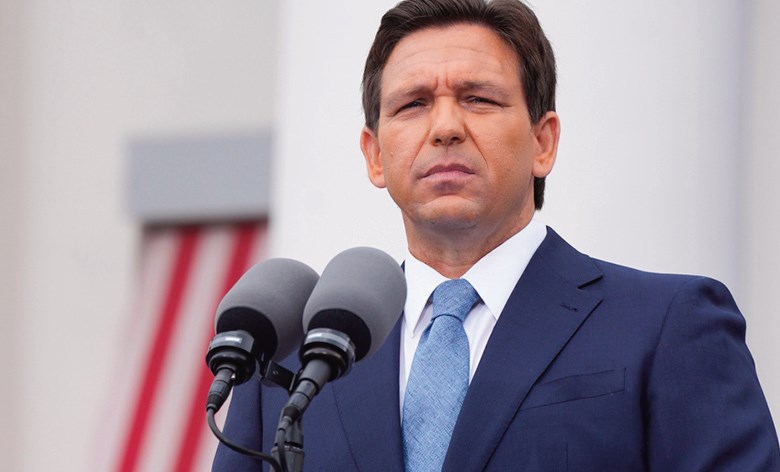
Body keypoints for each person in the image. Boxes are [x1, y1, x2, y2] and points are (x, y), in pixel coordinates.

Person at [214, 0, 780, 470]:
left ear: (543, 142)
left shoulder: (666, 323)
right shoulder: (297, 363)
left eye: (478, 99)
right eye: (413, 104)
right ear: (374, 155)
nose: (445, 128)